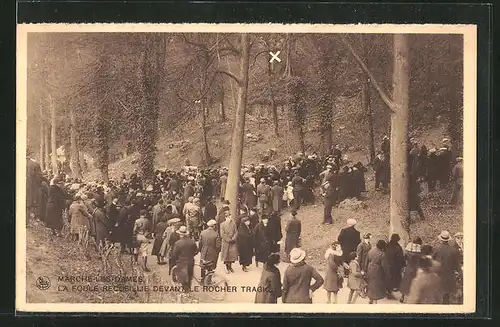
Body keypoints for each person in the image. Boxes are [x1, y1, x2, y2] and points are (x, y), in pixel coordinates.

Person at [432, 231, 461, 304]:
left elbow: (432, 261)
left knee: (439, 293)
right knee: (447, 294)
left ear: (441, 240)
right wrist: (459, 273)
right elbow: (458, 265)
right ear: (448, 239)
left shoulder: (436, 249)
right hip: (449, 275)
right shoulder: (454, 250)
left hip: (439, 275)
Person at [171, 225, 199, 293]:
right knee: (189, 276)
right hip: (190, 261)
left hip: (181, 262)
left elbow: (174, 254)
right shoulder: (192, 241)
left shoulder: (178, 243)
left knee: (183, 278)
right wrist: (192, 255)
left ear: (180, 234)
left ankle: (186, 291)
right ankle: (188, 289)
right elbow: (197, 250)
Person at [400, 236, 423, 303]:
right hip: (416, 268)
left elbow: (405, 258)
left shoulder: (408, 250)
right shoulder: (420, 250)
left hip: (409, 267)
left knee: (406, 282)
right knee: (415, 283)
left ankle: (402, 296)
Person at [384, 233, 405, 299]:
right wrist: (403, 264)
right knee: (395, 277)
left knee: (389, 277)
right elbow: (401, 257)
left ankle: (389, 290)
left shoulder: (387, 245)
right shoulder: (398, 247)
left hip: (387, 264)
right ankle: (394, 288)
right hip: (396, 266)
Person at [366, 240, 387, 304]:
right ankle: (375, 302)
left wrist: (365, 270)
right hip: (377, 271)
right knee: (376, 286)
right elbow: (384, 266)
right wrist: (385, 273)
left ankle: (370, 300)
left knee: (370, 284)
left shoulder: (371, 250)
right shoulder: (382, 254)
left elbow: (367, 260)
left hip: (369, 269)